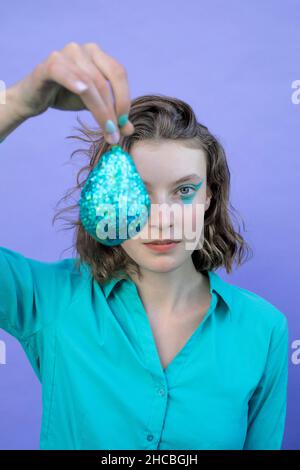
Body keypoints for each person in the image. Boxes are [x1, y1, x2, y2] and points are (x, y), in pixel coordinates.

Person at [0, 42, 289, 450]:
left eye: (185, 190)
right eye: (139, 192)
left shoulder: (264, 329)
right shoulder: (50, 300)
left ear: (210, 196)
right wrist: (18, 103)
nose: (163, 216)